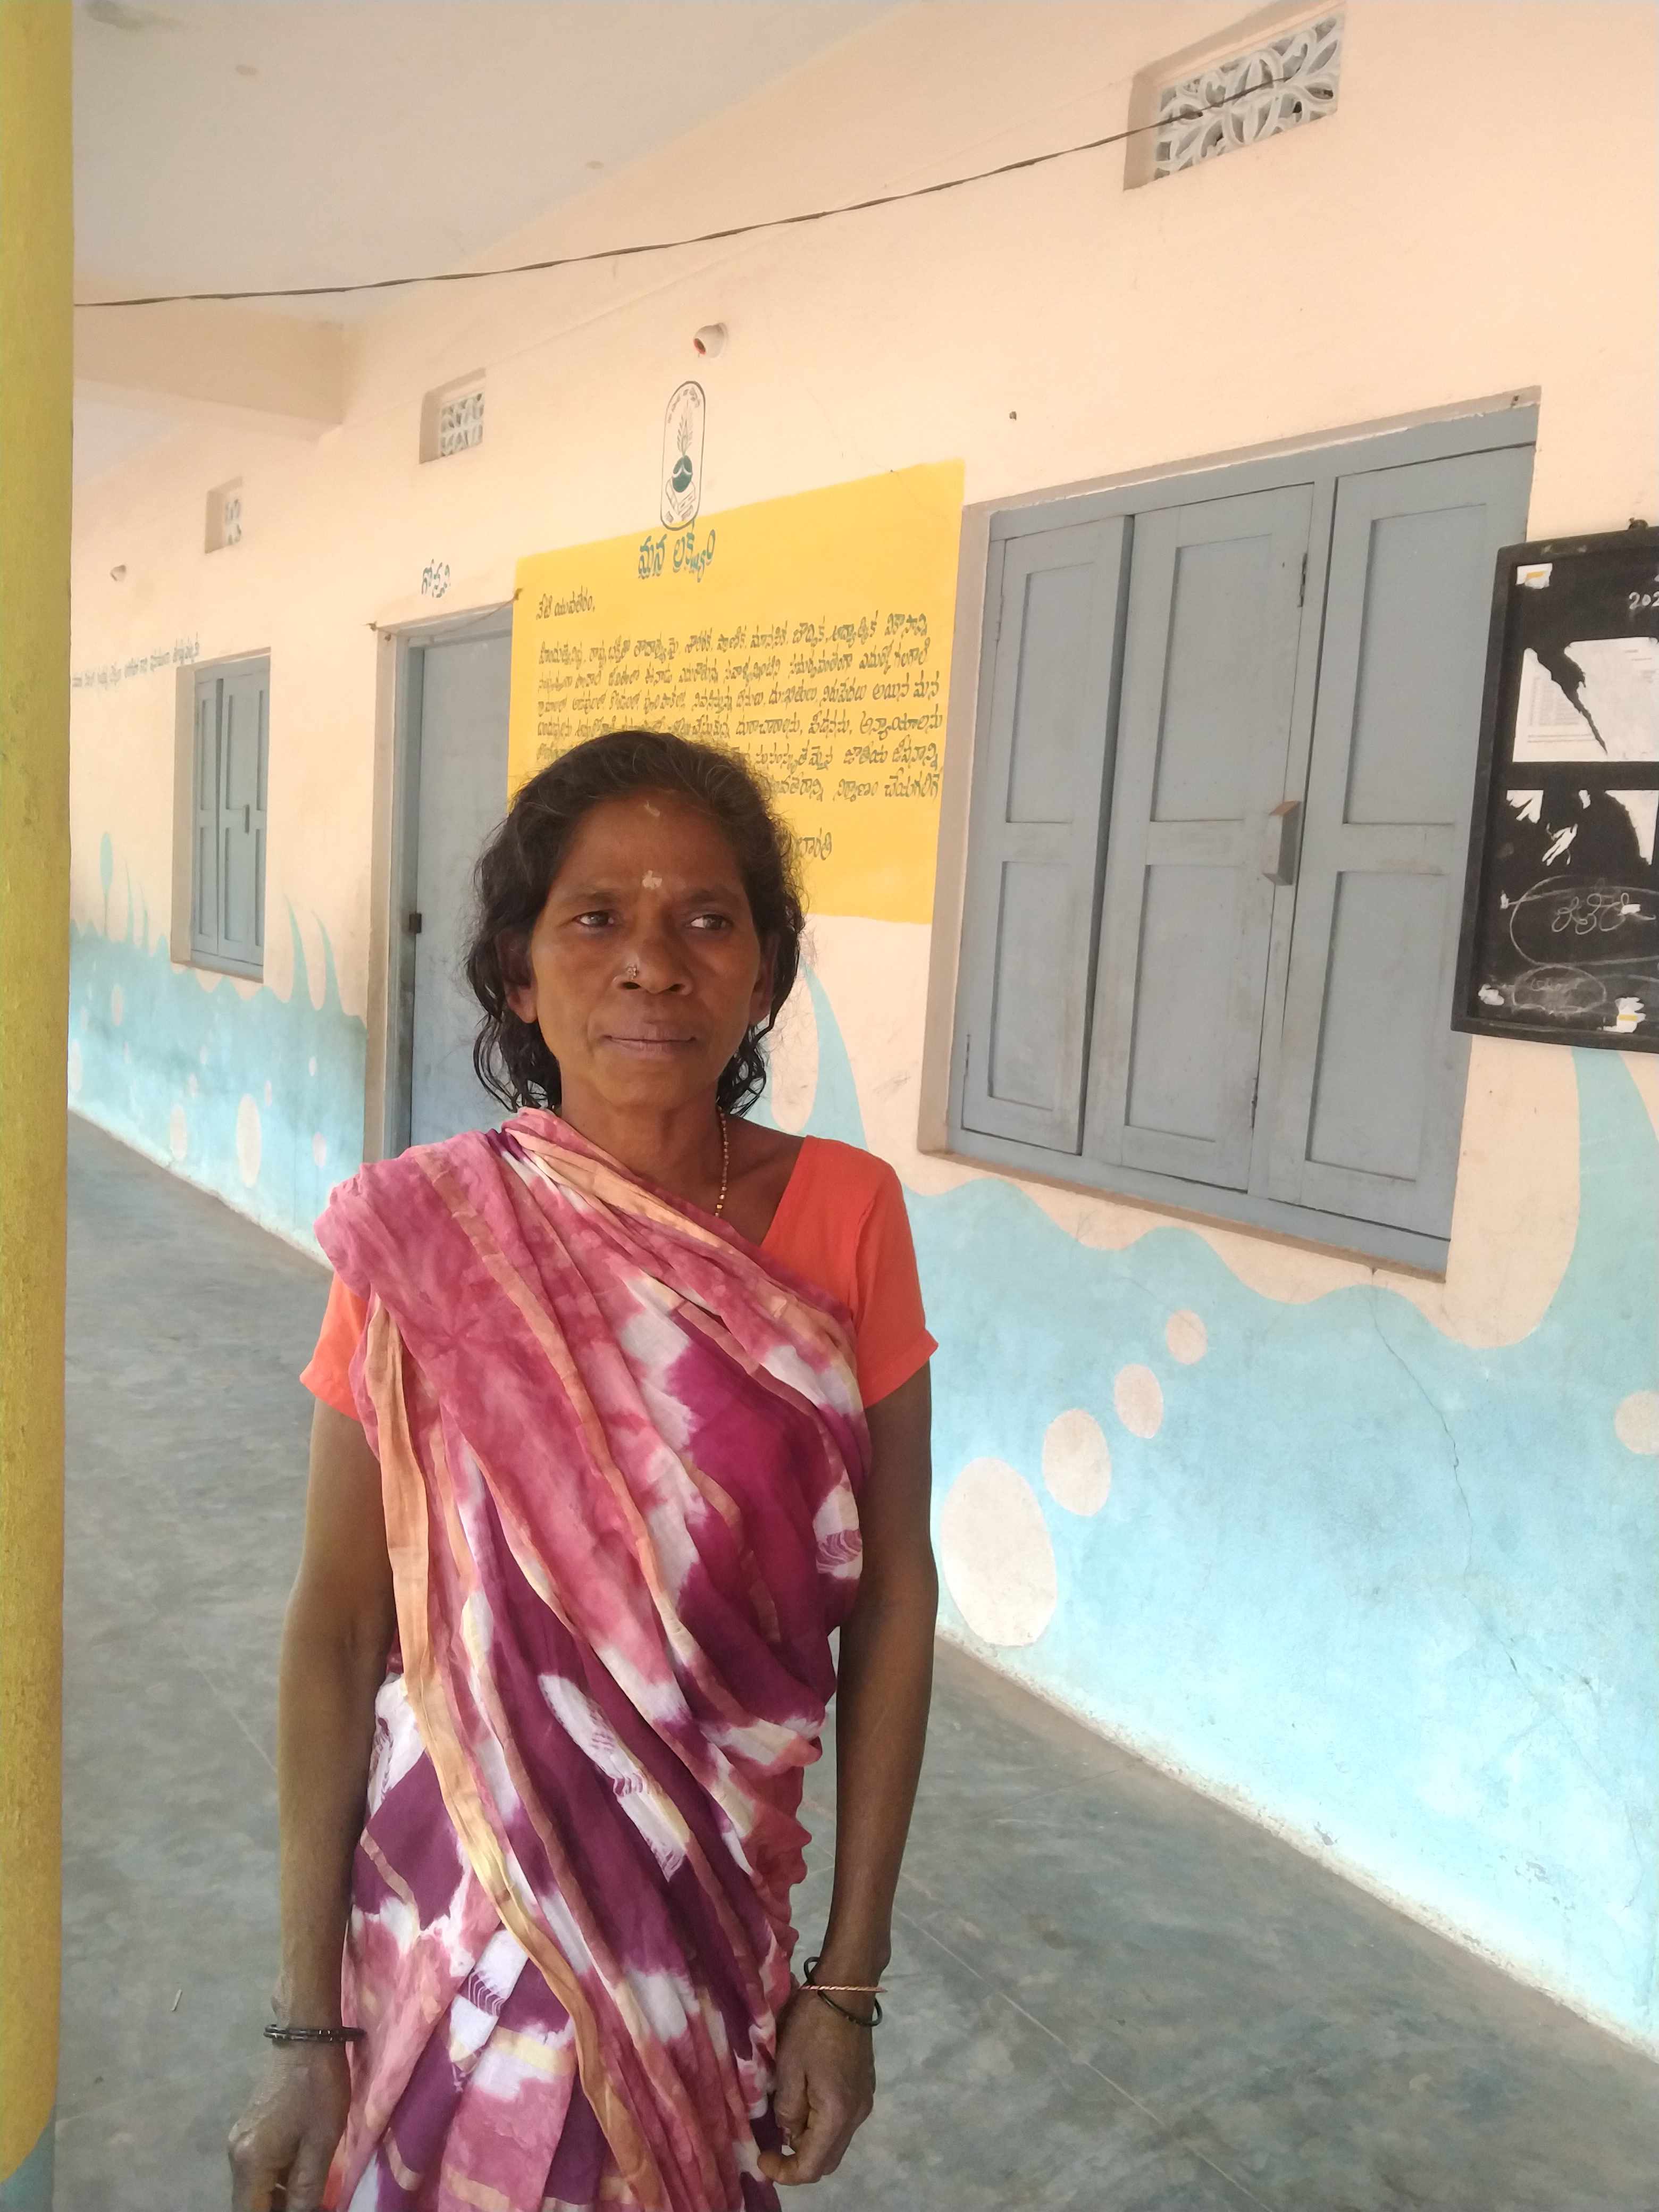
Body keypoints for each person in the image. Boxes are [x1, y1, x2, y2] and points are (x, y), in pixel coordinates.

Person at [228, 729, 939, 2212]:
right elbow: (339, 1626)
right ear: (518, 972)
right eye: (597, 917)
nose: (652, 965)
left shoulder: (847, 1214)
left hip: (705, 1939)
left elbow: (891, 1603)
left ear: (763, 971)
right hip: (447, 1937)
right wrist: (307, 2028)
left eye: (707, 919)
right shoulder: (427, 1243)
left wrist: (848, 1985)